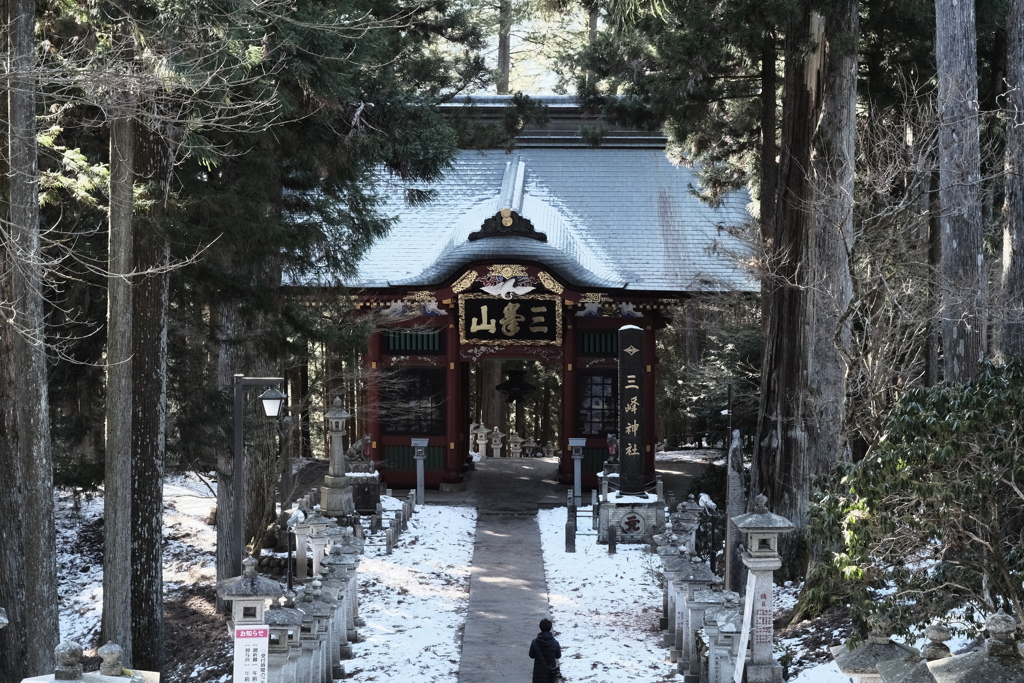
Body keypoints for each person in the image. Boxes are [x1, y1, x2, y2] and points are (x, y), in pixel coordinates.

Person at [528, 618, 562, 683]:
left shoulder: (535, 642)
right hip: (551, 673)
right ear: (550, 628)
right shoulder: (555, 643)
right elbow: (558, 656)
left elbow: (531, 655)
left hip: (538, 674)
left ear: (540, 628)